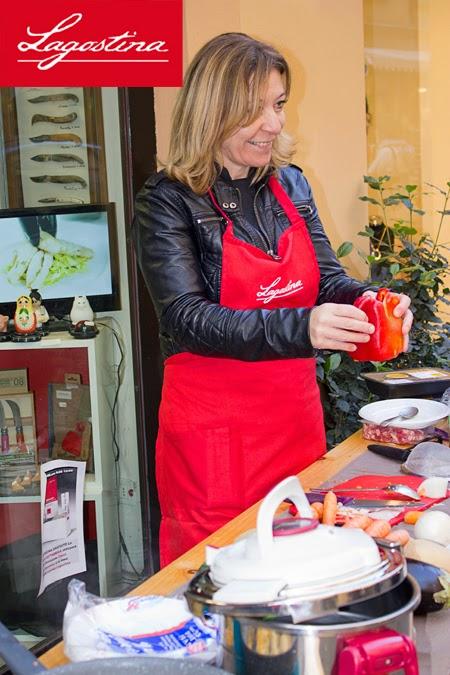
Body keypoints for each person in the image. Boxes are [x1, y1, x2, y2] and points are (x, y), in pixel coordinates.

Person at [133, 33, 413, 566]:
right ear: (212, 111)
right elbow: (186, 318)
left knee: (303, 564)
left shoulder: (290, 184)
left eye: (279, 104)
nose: (275, 123)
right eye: (254, 110)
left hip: (294, 423)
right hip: (215, 440)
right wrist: (301, 328)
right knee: (219, 576)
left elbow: (329, 280)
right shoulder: (166, 200)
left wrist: (375, 301)